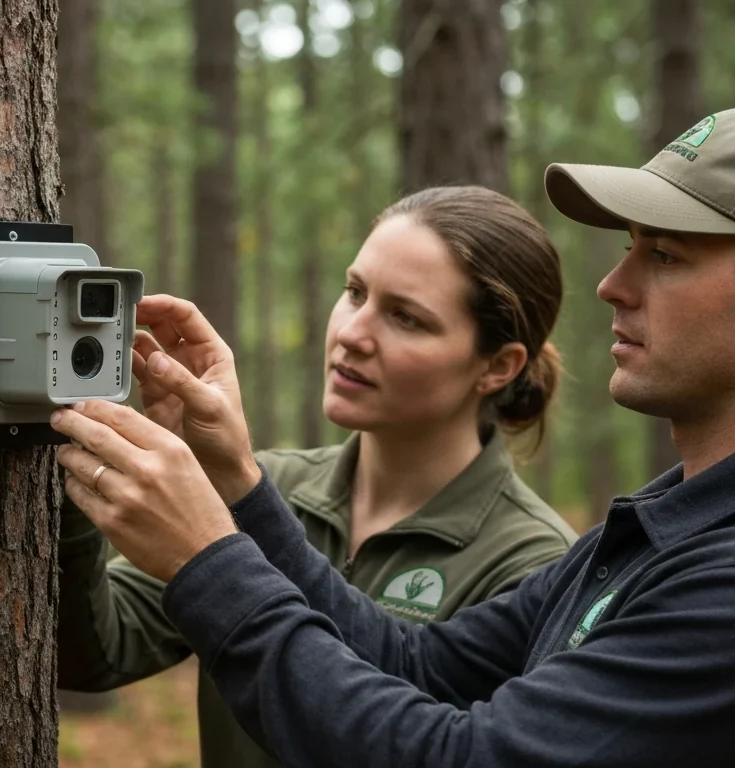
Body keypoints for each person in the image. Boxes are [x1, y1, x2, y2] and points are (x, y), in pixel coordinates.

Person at [51, 106, 735, 766]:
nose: (613, 285)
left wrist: (211, 558)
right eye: (629, 249)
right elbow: (414, 662)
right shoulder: (671, 524)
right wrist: (239, 488)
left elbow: (456, 757)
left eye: (666, 256)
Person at [55, 186, 579, 767]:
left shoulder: (532, 561)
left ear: (497, 366)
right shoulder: (266, 486)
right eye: (355, 292)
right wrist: (77, 444)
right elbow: (95, 652)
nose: (353, 333)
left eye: (406, 317)